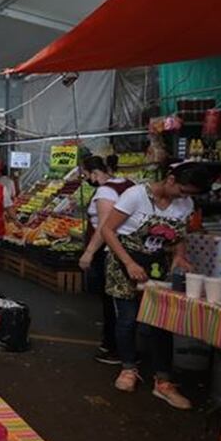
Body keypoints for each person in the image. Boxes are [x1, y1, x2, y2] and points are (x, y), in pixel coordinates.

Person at [100, 162, 213, 408]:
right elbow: (107, 230)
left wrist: (179, 256)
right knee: (128, 319)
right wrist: (129, 263)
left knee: (159, 322)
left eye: (190, 194)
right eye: (184, 191)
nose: (186, 197)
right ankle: (128, 368)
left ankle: (163, 381)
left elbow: (178, 237)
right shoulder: (136, 196)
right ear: (171, 180)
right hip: (123, 261)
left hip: (156, 266)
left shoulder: (185, 205)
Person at [77, 155, 134, 365]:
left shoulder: (105, 191)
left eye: (85, 175)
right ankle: (117, 345)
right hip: (127, 249)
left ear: (94, 173)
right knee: (121, 301)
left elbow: (104, 227)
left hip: (109, 252)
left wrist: (89, 252)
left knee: (112, 302)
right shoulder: (128, 185)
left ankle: (115, 348)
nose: (86, 179)